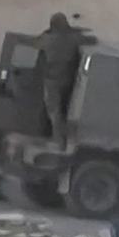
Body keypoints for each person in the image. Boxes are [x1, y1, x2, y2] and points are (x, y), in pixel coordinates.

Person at [36, 12, 93, 149]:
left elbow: (37, 42)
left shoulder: (48, 39)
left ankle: (58, 140)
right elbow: (91, 41)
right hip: (69, 79)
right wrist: (77, 32)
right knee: (68, 109)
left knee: (54, 110)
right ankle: (66, 140)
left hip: (52, 79)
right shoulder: (73, 38)